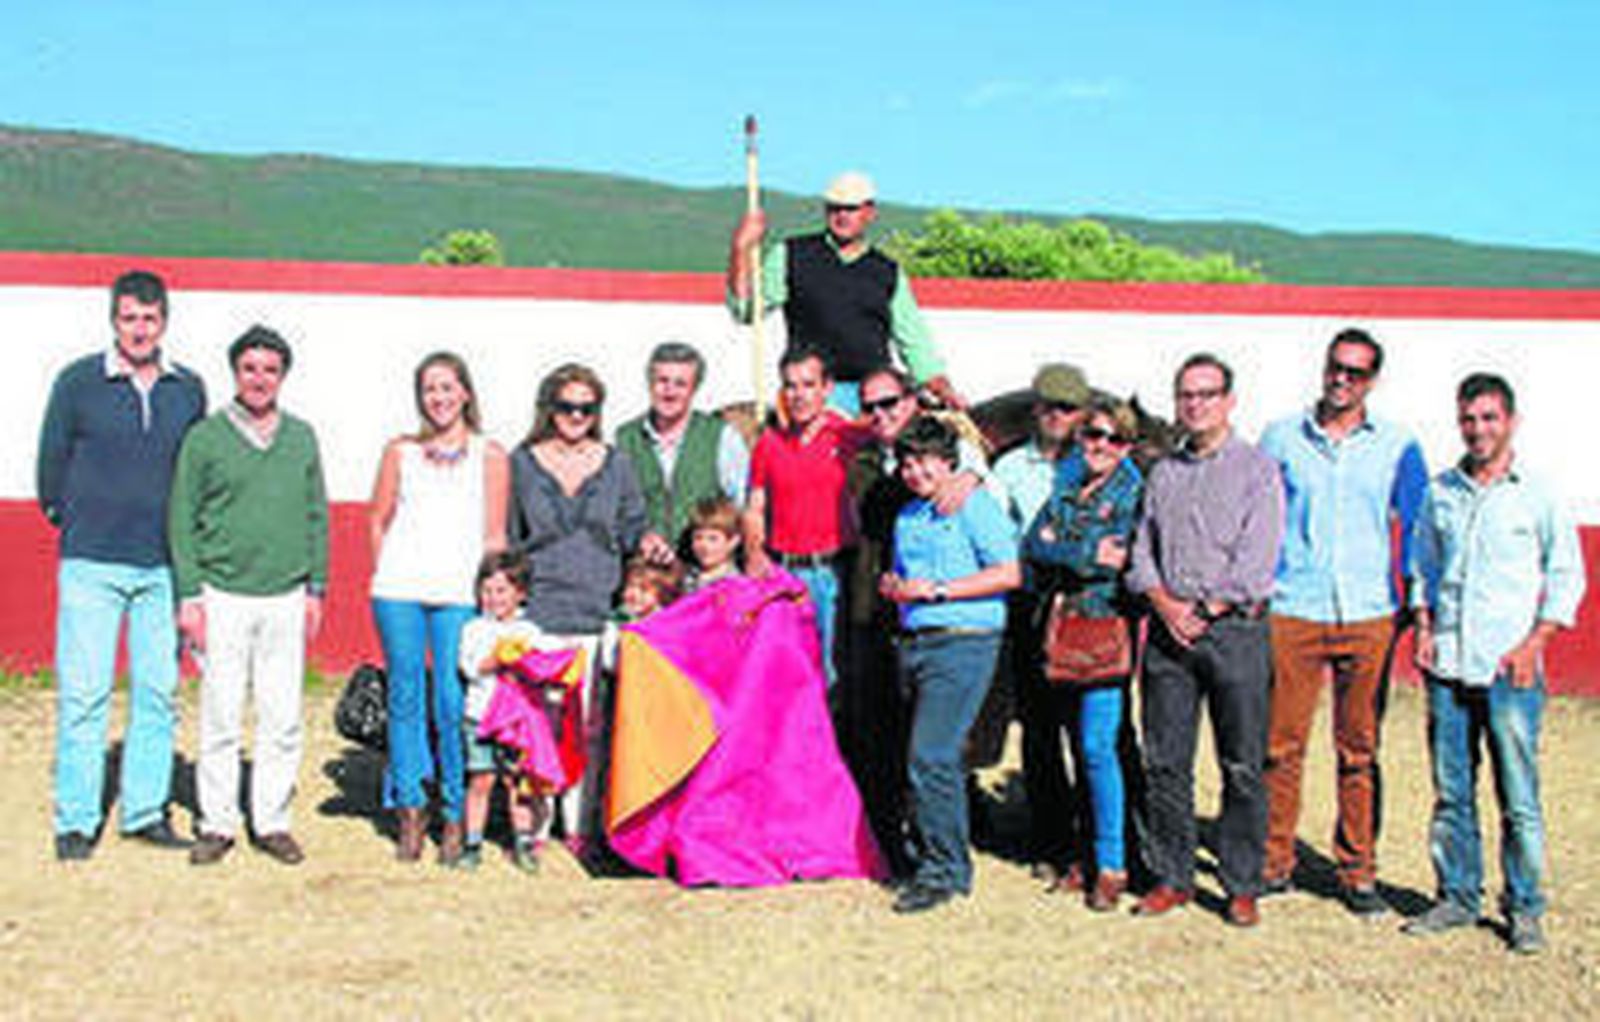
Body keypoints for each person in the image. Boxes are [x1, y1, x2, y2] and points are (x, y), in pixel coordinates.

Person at [1404, 373, 1585, 955]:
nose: (1478, 429)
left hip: (1512, 669)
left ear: (1510, 421)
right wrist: (1426, 626)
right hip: (1450, 665)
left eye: (1488, 418)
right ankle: (1457, 895)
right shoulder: (1442, 492)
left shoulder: (1539, 493)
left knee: (1519, 798)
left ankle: (1524, 907)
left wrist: (1535, 643)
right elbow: (1421, 564)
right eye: (1469, 419)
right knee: (1451, 792)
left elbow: (1565, 574)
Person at [37, 269, 207, 860]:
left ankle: (143, 811)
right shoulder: (78, 382)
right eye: (130, 317)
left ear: (165, 322)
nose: (140, 328)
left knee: (157, 693)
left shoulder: (188, 389)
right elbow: (50, 466)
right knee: (84, 695)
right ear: (114, 320)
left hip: (162, 568)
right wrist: (77, 521)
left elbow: (196, 475)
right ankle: (77, 820)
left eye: (150, 318)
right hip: (91, 563)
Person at [1258, 328, 1429, 915]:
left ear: (1372, 381)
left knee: (1359, 749)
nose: (1341, 380)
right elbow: (1261, 519)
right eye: (1335, 368)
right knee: (1281, 745)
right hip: (1294, 606)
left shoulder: (1399, 444)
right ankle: (1273, 861)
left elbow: (1418, 526)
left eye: (1355, 373)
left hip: (1368, 612)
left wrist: (1415, 603)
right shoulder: (1281, 437)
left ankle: (1357, 872)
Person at [1125, 353, 1283, 927]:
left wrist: (1207, 606)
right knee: (1165, 761)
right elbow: (1142, 547)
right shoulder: (1164, 472)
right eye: (1186, 395)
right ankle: (1173, 875)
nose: (1195, 404)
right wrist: (1165, 603)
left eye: (1206, 394)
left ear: (1229, 400)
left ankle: (1241, 882)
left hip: (1234, 630)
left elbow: (1258, 557)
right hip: (1170, 634)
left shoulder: (1258, 469)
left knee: (1241, 763)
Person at [170, 326, 329, 867]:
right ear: (234, 372)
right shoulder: (205, 438)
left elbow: (316, 515)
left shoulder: (302, 436)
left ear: (283, 375)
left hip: (286, 596)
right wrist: (189, 595)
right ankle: (217, 823)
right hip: (222, 594)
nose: (259, 378)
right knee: (220, 715)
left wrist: (317, 588)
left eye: (270, 369)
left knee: (282, 715)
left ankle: (272, 820)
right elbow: (181, 519)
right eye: (250, 368)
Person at [508, 363, 667, 851]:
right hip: (539, 612)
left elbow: (632, 527)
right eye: (566, 406)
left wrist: (649, 542)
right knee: (540, 727)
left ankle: (581, 825)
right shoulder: (521, 463)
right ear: (549, 408)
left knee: (591, 728)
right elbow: (511, 538)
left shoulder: (615, 464)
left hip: (597, 612)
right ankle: (535, 825)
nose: (576, 415)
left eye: (586, 408)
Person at [369, 351, 510, 865]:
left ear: (466, 393)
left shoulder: (489, 454)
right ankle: (409, 807)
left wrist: (491, 600)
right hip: (399, 589)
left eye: (448, 387)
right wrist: (385, 572)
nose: (439, 397)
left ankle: (454, 810)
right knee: (405, 697)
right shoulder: (400, 452)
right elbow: (378, 518)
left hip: (458, 592)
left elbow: (493, 531)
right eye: (430, 389)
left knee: (452, 702)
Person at [879, 416, 1020, 913]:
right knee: (930, 756)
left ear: (948, 462)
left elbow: (1008, 572)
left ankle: (945, 870)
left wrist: (938, 591)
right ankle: (935, 856)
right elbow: (912, 575)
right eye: (907, 462)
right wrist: (898, 588)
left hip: (964, 640)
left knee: (931, 755)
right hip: (916, 639)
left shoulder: (973, 505)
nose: (915, 472)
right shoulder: (909, 516)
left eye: (924, 462)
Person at [1020, 400, 1144, 910]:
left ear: (1128, 446)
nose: (1100, 446)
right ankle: (1088, 856)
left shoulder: (1132, 492)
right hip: (1065, 627)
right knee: (1079, 744)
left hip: (1102, 625)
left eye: (1113, 439)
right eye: (1093, 435)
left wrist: (1066, 549)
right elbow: (1034, 546)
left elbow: (1120, 561)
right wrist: (1086, 553)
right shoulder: (1069, 483)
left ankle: (1112, 861)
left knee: (1097, 748)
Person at [727, 171, 962, 414]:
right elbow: (746, 311)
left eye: (850, 209)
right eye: (834, 208)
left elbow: (914, 340)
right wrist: (741, 248)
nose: (841, 216)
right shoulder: (791, 254)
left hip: (874, 396)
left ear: (869, 212)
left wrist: (941, 386)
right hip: (813, 394)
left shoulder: (888, 271)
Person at [742, 349, 871, 689]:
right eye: (790, 386)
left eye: (808, 385)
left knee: (832, 675)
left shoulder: (850, 437)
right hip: (783, 573)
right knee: (786, 675)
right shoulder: (769, 443)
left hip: (833, 572)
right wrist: (755, 554)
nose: (799, 395)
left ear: (827, 388)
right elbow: (755, 505)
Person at [457, 551, 557, 874]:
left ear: (520, 593)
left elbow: (544, 666)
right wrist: (497, 658)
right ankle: (471, 844)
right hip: (480, 717)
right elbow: (469, 667)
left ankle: (523, 843)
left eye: (501, 590)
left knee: (517, 784)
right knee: (481, 780)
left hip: (516, 722)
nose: (493, 598)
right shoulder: (473, 628)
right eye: (486, 590)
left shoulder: (530, 632)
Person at [614, 342, 749, 556]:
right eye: (662, 381)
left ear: (694, 389)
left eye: (680, 384)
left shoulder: (722, 436)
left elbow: (742, 507)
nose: (669, 391)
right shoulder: (625, 438)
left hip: (705, 569)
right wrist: (641, 537)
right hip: (647, 571)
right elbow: (616, 510)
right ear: (649, 384)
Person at [993, 363, 1091, 535]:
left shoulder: (1097, 463)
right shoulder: (1008, 466)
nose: (1056, 415)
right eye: (1048, 406)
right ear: (1035, 408)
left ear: (1081, 415)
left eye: (1066, 408)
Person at [685, 496, 743, 591]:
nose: (704, 545)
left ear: (733, 541)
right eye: (698, 537)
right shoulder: (689, 578)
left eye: (713, 539)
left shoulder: (733, 584)